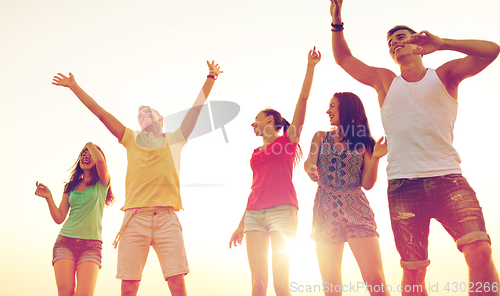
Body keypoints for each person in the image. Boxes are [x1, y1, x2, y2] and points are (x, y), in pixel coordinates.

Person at [323, 0, 500, 295]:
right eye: (391, 42)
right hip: (404, 185)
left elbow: (492, 50)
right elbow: (344, 58)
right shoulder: (385, 82)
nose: (395, 44)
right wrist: (337, 22)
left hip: (449, 180)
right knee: (413, 274)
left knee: (480, 252)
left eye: (401, 38)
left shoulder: (444, 76)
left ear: (419, 43)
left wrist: (443, 43)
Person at [52, 61, 223, 296]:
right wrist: (74, 86)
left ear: (161, 118)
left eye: (147, 112)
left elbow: (196, 109)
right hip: (134, 218)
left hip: (166, 218)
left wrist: (210, 78)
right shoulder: (130, 138)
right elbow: (101, 113)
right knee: (129, 287)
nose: (142, 115)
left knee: (176, 283)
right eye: (139, 114)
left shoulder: (175, 138)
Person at [229, 47, 320, 296]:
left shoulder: (288, 142)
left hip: (283, 211)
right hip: (254, 216)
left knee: (281, 284)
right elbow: (254, 191)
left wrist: (310, 67)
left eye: (256, 118)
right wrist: (241, 225)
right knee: (258, 284)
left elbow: (302, 100)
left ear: (270, 120)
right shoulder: (255, 154)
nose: (253, 123)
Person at [304, 92, 390, 296]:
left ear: (347, 109)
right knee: (331, 286)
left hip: (356, 211)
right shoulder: (320, 137)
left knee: (375, 280)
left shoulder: (366, 142)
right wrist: (310, 169)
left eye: (332, 106)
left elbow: (367, 184)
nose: (328, 110)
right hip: (325, 213)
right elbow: (309, 162)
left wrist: (376, 158)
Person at [35, 142, 114, 296]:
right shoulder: (70, 186)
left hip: (91, 246)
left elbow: (100, 161)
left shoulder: (102, 183)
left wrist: (89, 144)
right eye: (83, 154)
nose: (86, 156)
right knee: (66, 292)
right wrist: (49, 198)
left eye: (90, 154)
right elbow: (59, 218)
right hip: (65, 242)